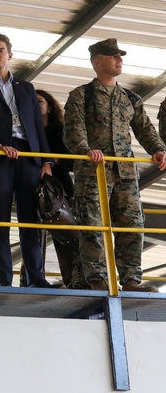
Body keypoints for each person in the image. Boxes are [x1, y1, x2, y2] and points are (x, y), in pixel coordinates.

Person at [63, 38, 166, 292]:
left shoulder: (130, 97)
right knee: (93, 225)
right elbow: (73, 131)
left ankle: (131, 280)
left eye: (120, 56)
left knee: (132, 224)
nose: (119, 60)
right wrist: (86, 150)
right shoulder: (81, 95)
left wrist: (158, 149)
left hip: (125, 173)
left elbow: (144, 128)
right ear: (97, 62)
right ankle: (97, 280)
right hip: (93, 172)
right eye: (113, 56)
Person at [0, 33, 52, 287]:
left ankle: (36, 277)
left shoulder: (26, 88)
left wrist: (46, 161)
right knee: (0, 220)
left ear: (9, 55)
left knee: (30, 220)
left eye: (1, 50)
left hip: (27, 155)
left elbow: (37, 126)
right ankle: (4, 279)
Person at [36, 89, 83, 288]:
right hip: (34, 186)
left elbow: (72, 161)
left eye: (39, 101)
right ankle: (33, 278)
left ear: (49, 106)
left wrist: (52, 161)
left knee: (65, 234)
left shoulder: (60, 129)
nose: (36, 105)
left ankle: (74, 280)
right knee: (34, 233)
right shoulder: (25, 130)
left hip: (59, 187)